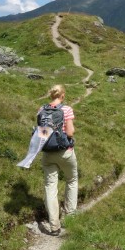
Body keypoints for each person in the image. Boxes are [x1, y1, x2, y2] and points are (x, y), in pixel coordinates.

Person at [40, 84, 78, 236]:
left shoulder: (42, 110)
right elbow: (70, 132)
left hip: (48, 153)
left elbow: (41, 134)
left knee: (50, 186)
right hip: (65, 152)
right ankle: (70, 216)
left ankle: (54, 225)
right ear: (62, 95)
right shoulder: (66, 109)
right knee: (72, 180)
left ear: (51, 95)